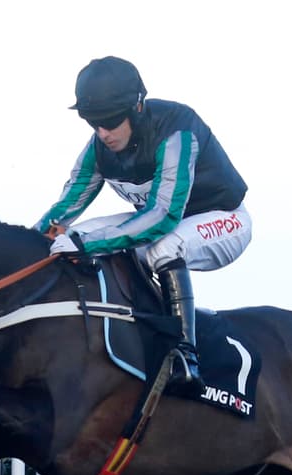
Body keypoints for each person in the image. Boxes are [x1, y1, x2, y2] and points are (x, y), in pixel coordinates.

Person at [35, 56, 252, 395]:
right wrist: (29, 242)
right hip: (163, 221)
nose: (102, 133)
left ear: (137, 106)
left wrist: (88, 245)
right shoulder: (98, 148)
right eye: (93, 123)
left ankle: (185, 354)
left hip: (223, 219)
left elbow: (164, 216)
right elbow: (65, 208)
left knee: (161, 247)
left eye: (109, 121)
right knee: (73, 237)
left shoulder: (177, 128)